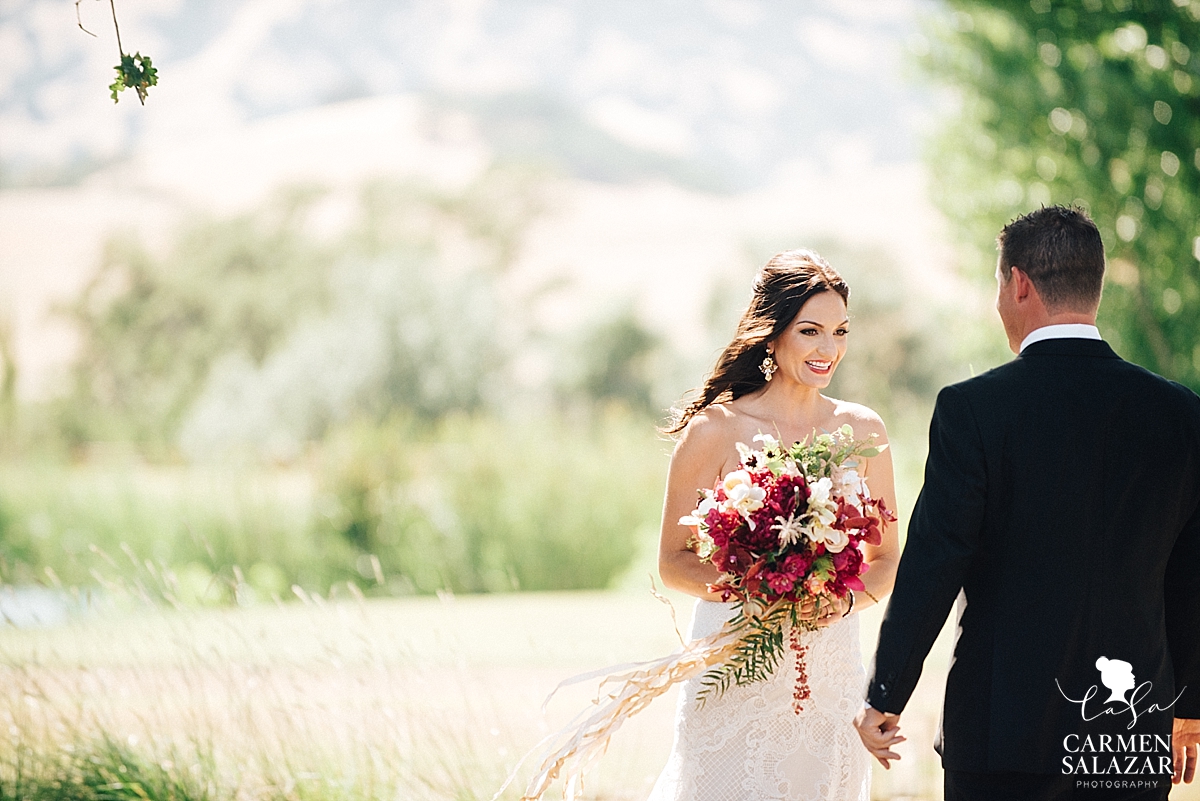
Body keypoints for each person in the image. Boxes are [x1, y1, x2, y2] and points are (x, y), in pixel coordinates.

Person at [854, 205, 1200, 800]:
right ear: (1094, 286)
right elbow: (1192, 571)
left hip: (1001, 731)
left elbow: (936, 560)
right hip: (1127, 733)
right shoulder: (1180, 413)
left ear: (1018, 284)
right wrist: (1189, 706)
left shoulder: (973, 408)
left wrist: (886, 693)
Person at [650, 249, 901, 801]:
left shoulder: (863, 429)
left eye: (839, 332)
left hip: (828, 674)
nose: (828, 349)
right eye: (810, 330)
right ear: (772, 333)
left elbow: (886, 563)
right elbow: (673, 562)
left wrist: (838, 602)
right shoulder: (715, 430)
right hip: (733, 668)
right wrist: (756, 590)